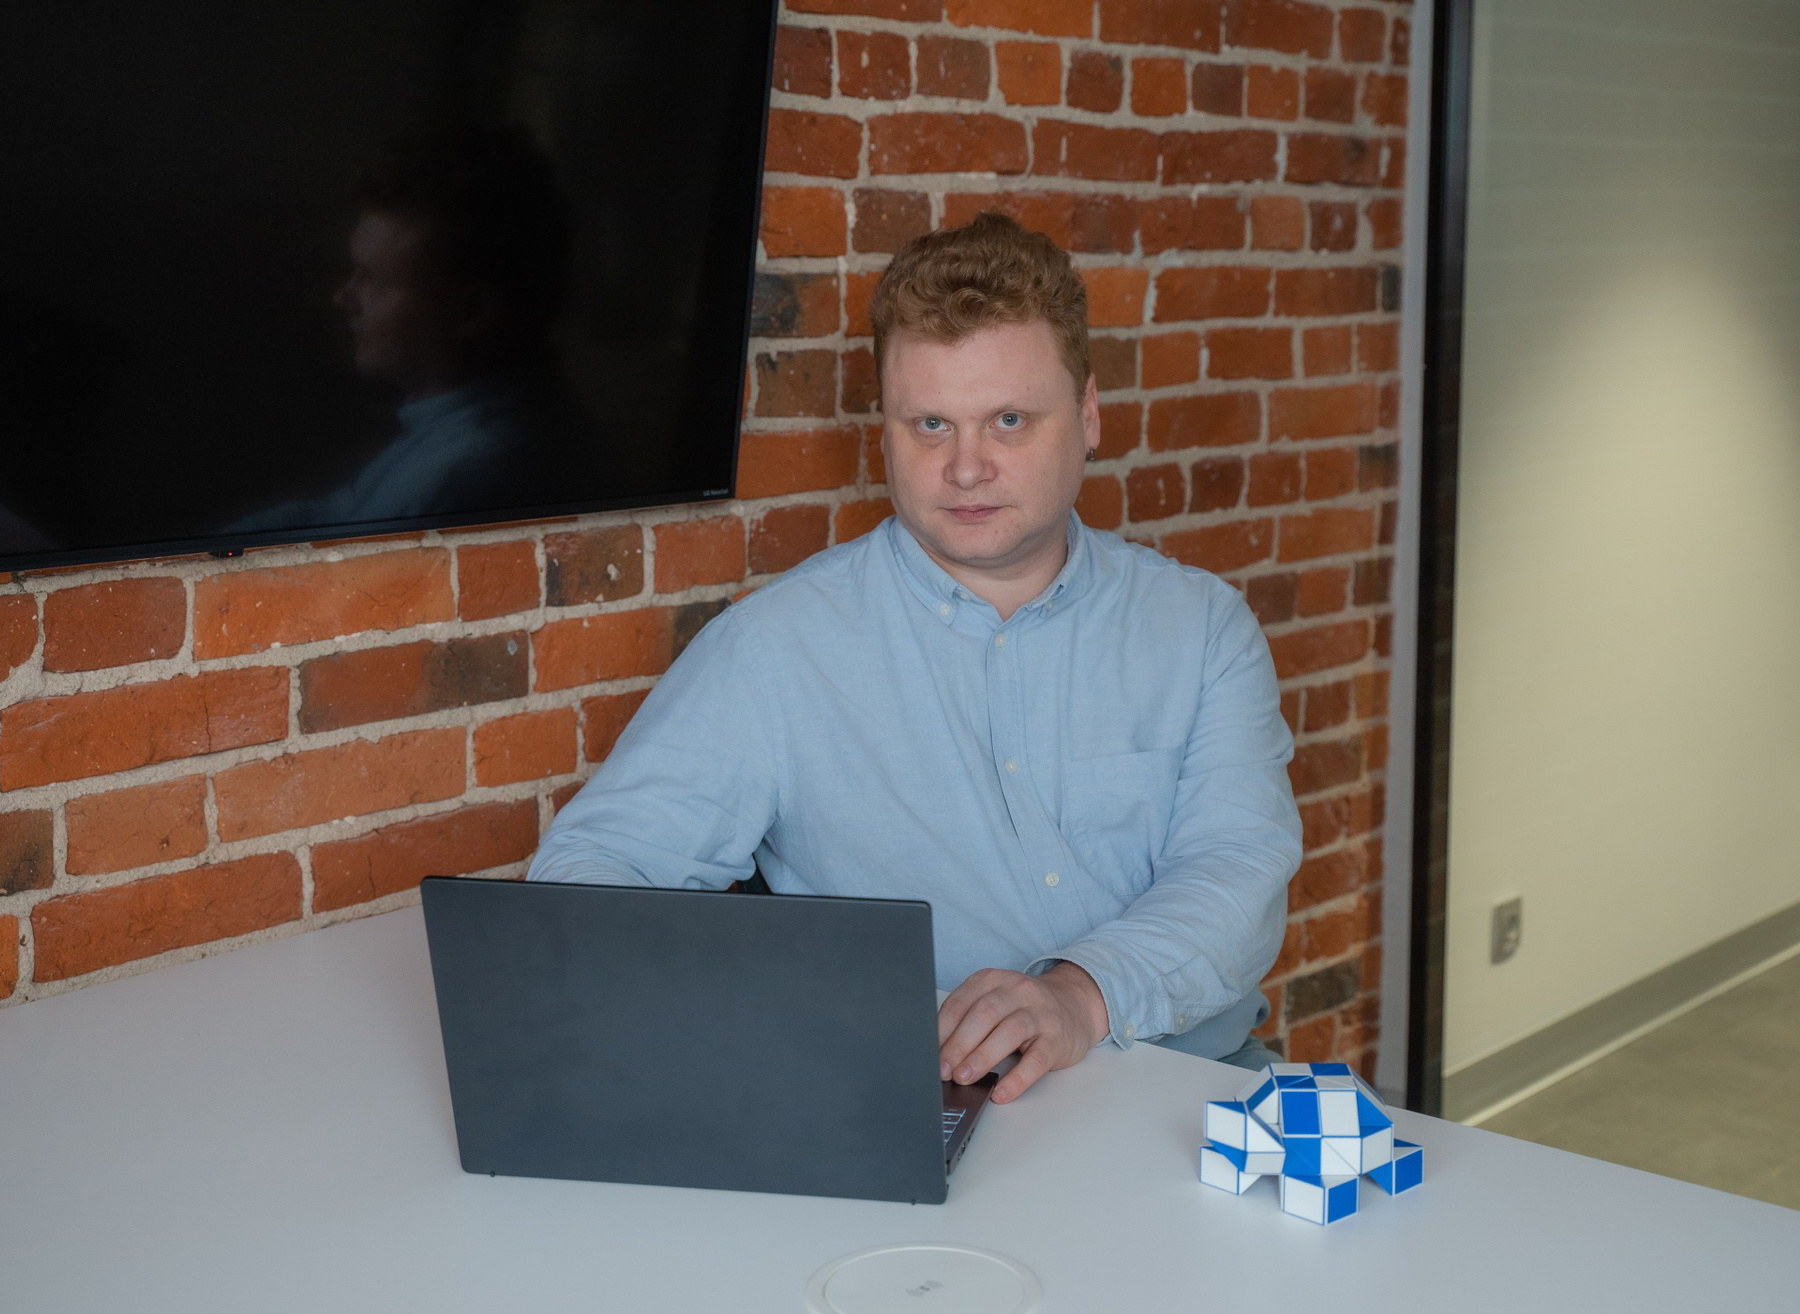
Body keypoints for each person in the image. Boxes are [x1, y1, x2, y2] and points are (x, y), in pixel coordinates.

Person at [528, 213, 1301, 1103]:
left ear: (1087, 416)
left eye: (1009, 421)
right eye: (930, 423)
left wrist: (1078, 997)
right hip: (924, 1100)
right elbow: (593, 877)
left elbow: (1238, 870)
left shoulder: (1200, 628)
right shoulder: (776, 651)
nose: (966, 468)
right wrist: (780, 1018)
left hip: (1190, 1088)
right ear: (885, 431)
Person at [230, 123, 584, 533]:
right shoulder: (446, 427)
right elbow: (331, 515)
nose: (343, 298)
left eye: (373, 279)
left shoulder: (460, 480)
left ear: (471, 312)